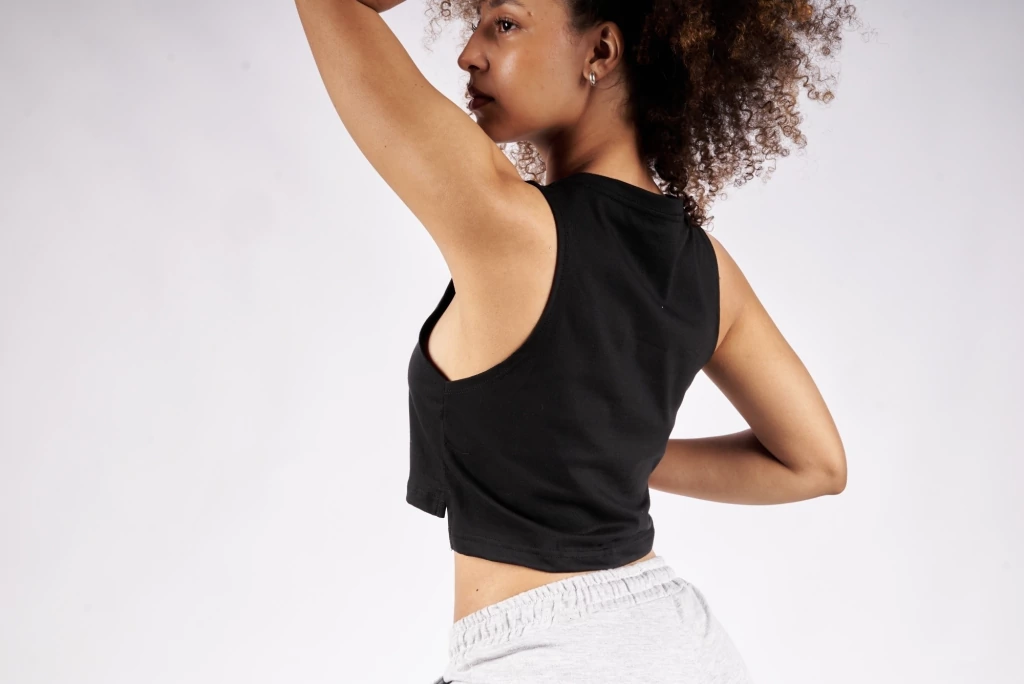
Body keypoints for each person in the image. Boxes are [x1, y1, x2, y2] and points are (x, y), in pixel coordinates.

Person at [295, 0, 860, 681]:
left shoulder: (509, 223)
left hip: (545, 658)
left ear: (599, 52)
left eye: (504, 23)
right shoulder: (708, 269)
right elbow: (815, 464)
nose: (468, 53)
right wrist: (619, 454)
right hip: (686, 646)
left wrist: (624, 455)